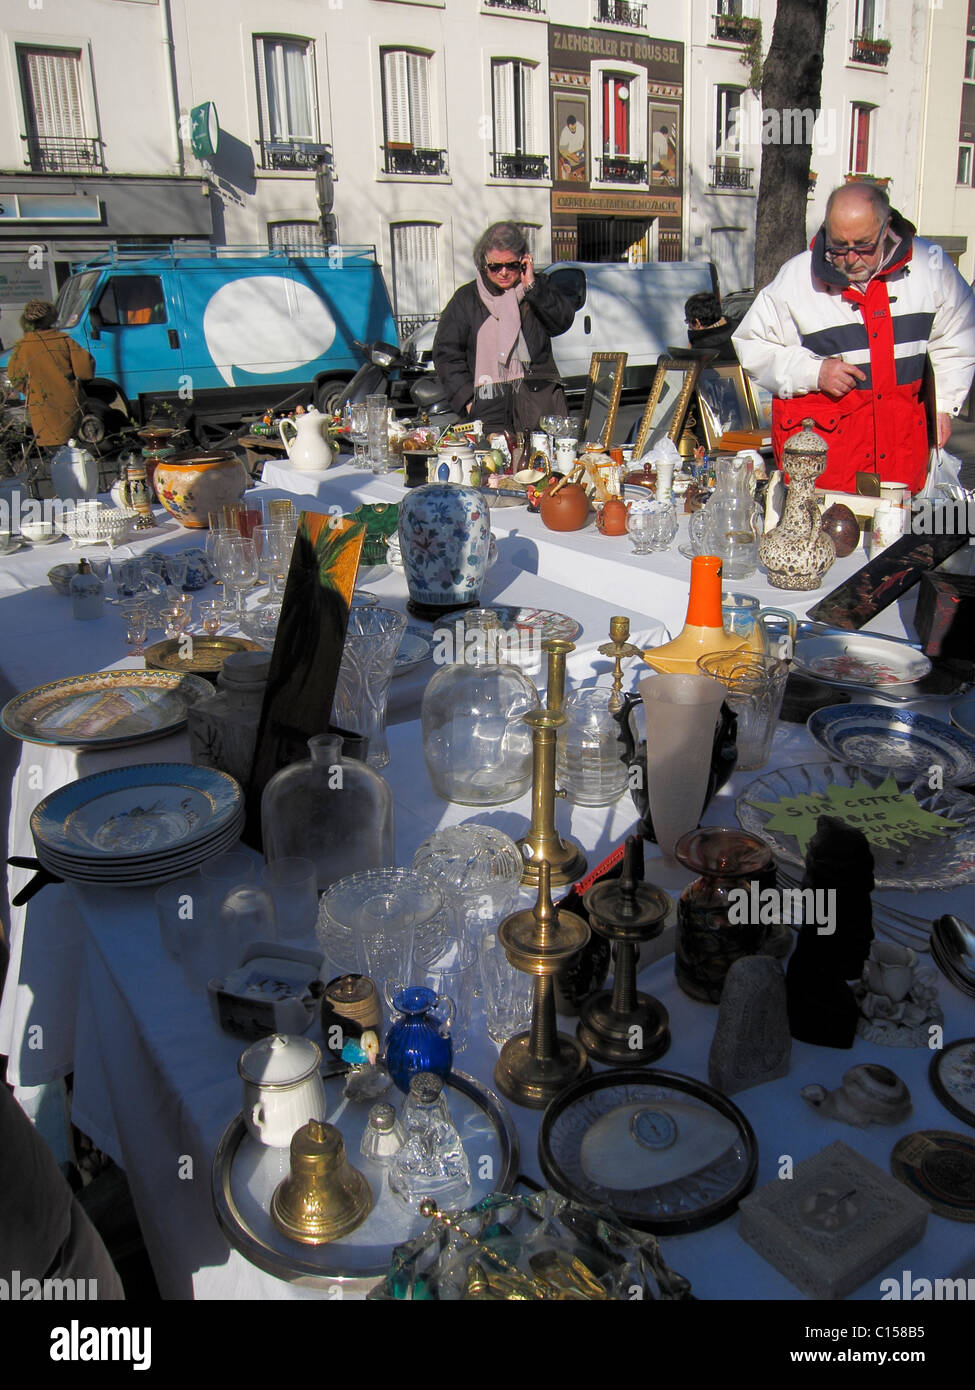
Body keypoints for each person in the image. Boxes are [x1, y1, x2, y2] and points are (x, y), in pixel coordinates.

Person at [732, 183, 975, 493]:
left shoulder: (930, 267)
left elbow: (958, 333)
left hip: (902, 460)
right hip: (827, 469)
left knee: (898, 535)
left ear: (886, 228)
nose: (850, 258)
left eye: (863, 245)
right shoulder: (797, 277)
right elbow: (752, 344)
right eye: (838, 246)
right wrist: (815, 372)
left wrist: (944, 403)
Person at [432, 222, 575, 435]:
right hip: (487, 407)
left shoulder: (537, 289)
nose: (504, 272)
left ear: (524, 262)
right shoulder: (466, 300)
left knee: (540, 467)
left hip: (538, 404)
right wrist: (468, 400)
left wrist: (532, 287)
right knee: (492, 464)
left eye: (512, 265)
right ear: (483, 263)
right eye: (495, 266)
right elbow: (446, 354)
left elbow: (561, 321)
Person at [5, 298, 95, 451]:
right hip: (69, 404)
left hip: (41, 407)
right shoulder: (64, 341)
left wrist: (30, 391)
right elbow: (85, 370)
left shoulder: (23, 347)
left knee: (53, 452)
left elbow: (15, 376)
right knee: (71, 449)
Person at [684, 291, 740, 363]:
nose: (689, 326)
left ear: (697, 322)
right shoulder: (740, 330)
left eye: (688, 321)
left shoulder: (701, 351)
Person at [558, 115, 585, 181]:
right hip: (570, 155)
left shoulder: (581, 128)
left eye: (574, 127)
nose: (573, 129)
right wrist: (571, 156)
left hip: (581, 152)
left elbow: (586, 142)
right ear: (568, 126)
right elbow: (562, 149)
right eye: (571, 129)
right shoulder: (565, 132)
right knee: (566, 171)